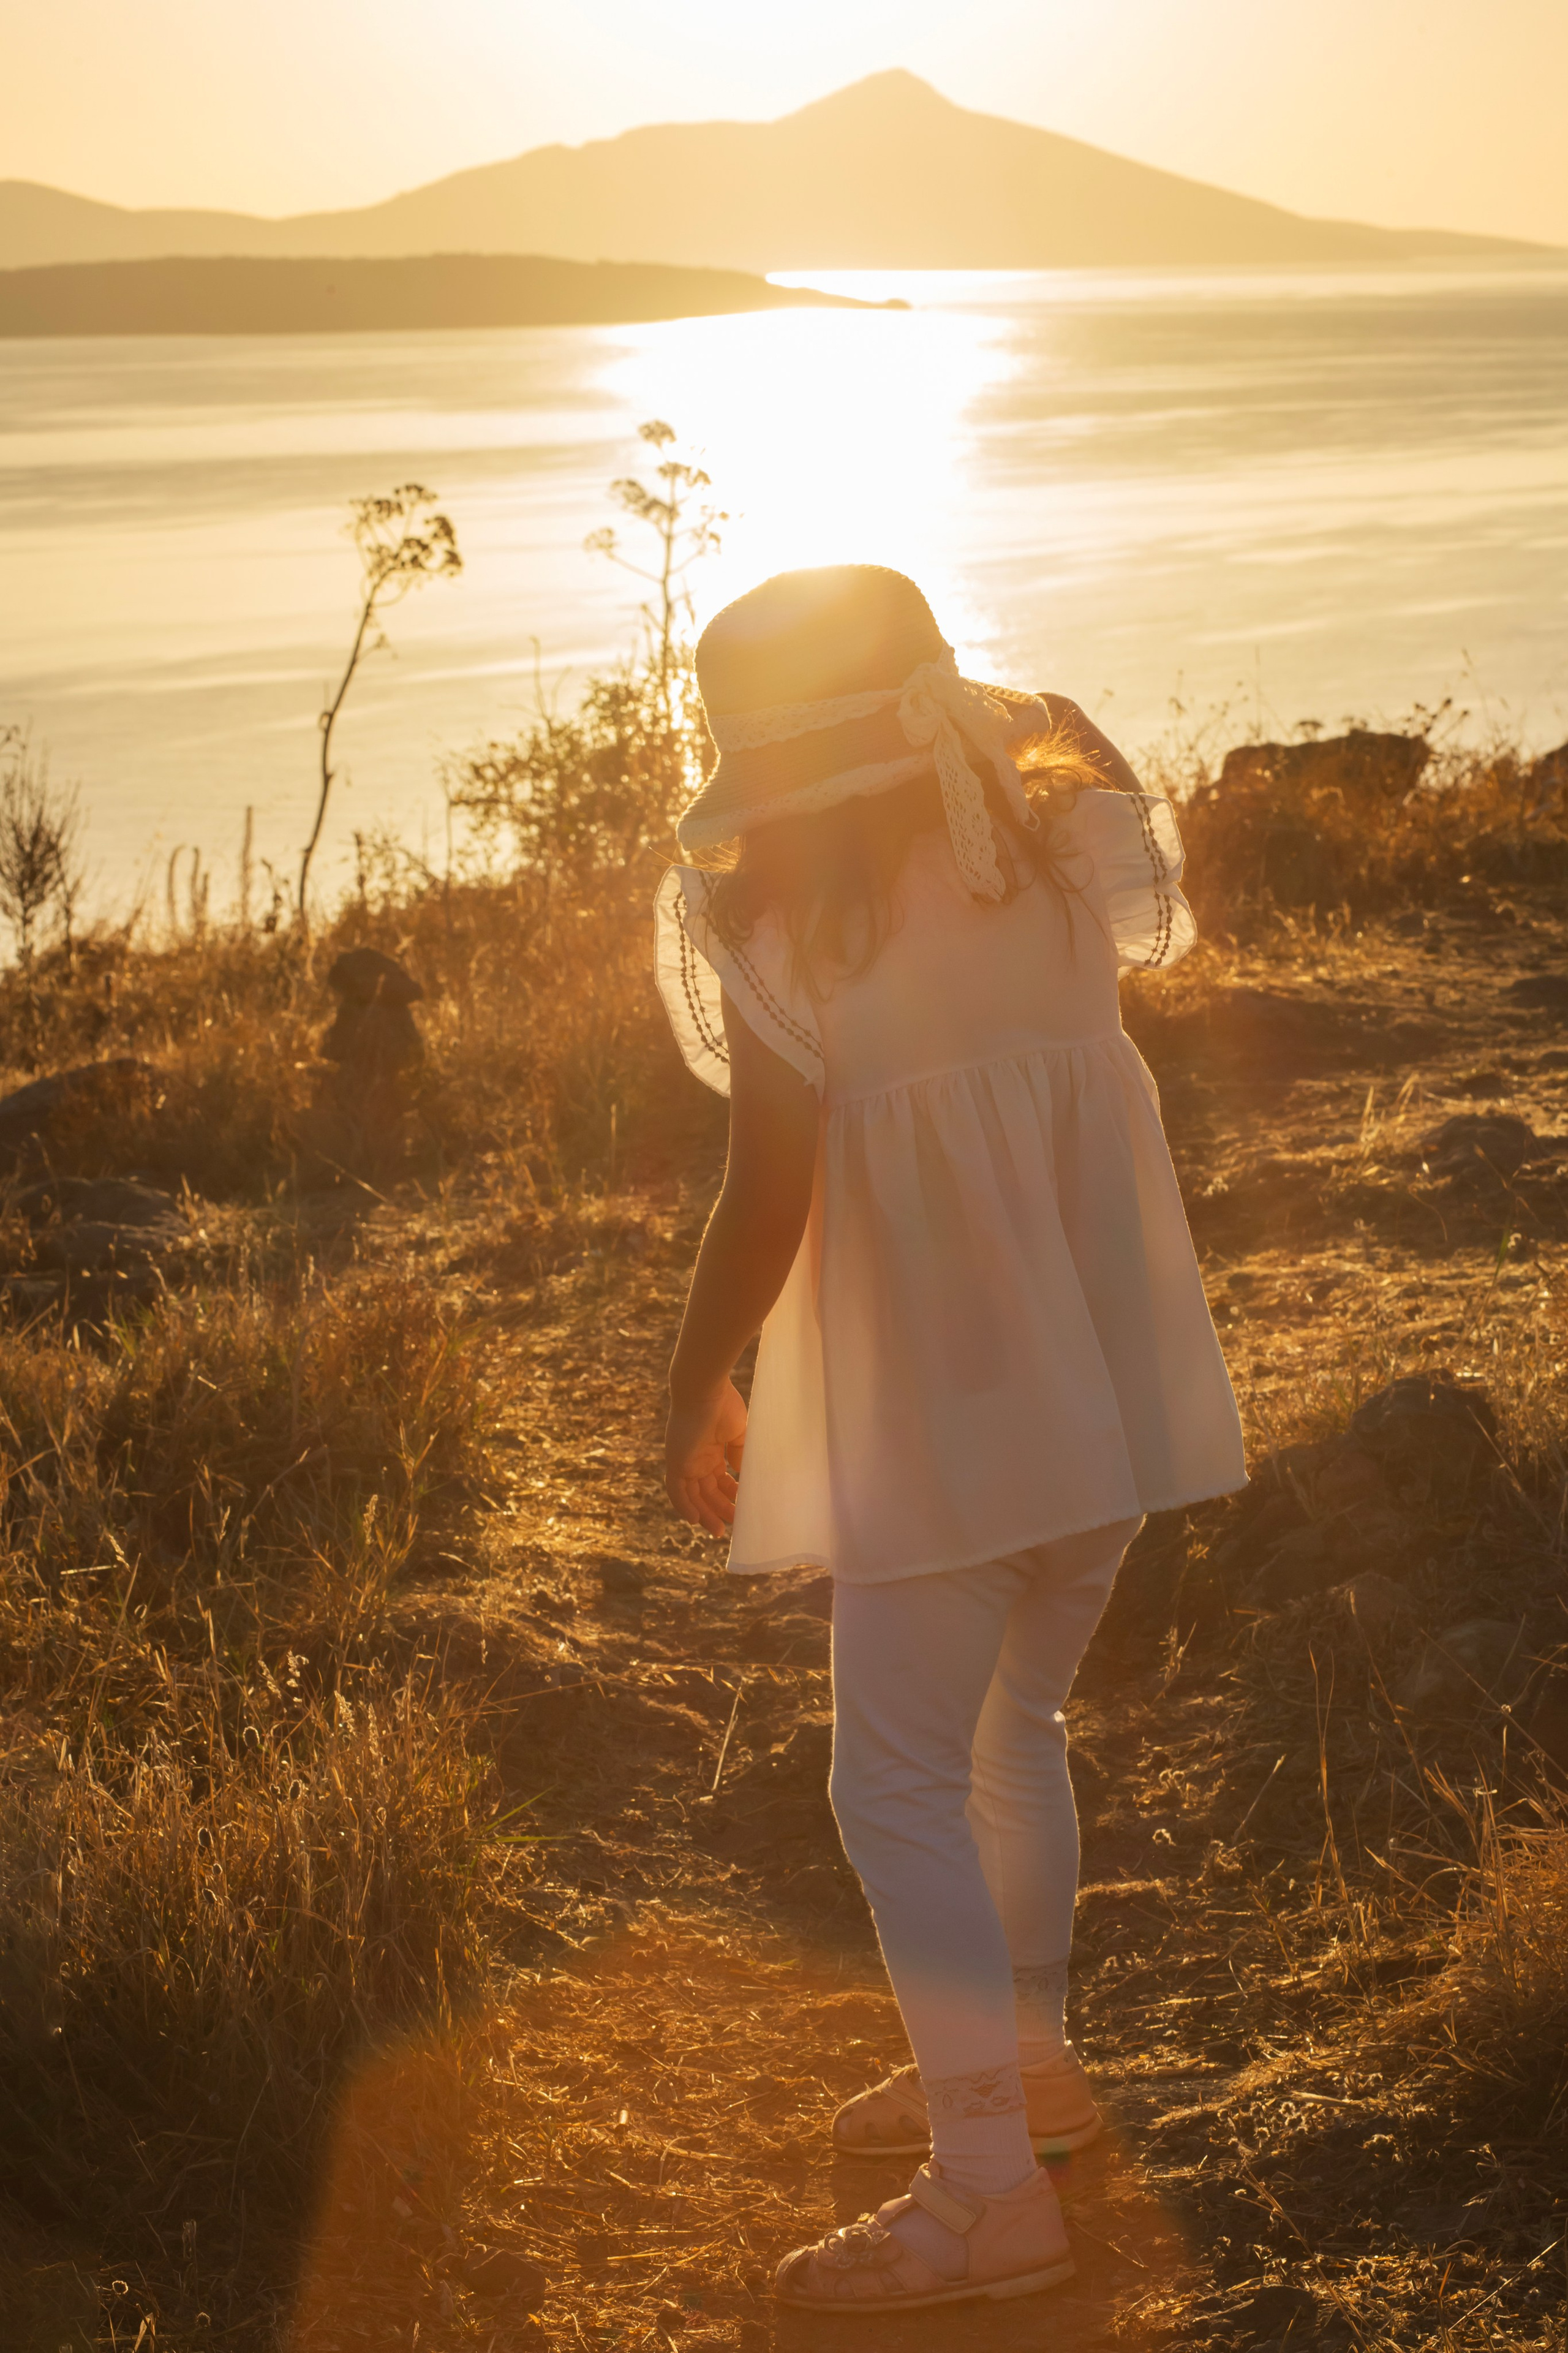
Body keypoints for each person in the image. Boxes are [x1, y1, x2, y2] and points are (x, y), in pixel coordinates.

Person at [654, 565, 1245, 2315]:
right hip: (1100, 1410)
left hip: (939, 1420)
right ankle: (1024, 2076)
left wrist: (692, 1381)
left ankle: (988, 2191)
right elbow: (1098, 763)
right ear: (940, 712)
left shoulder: (789, 936)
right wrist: (1003, 714)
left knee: (892, 1783)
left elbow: (766, 1191)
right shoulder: (1066, 860)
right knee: (1011, 1734)